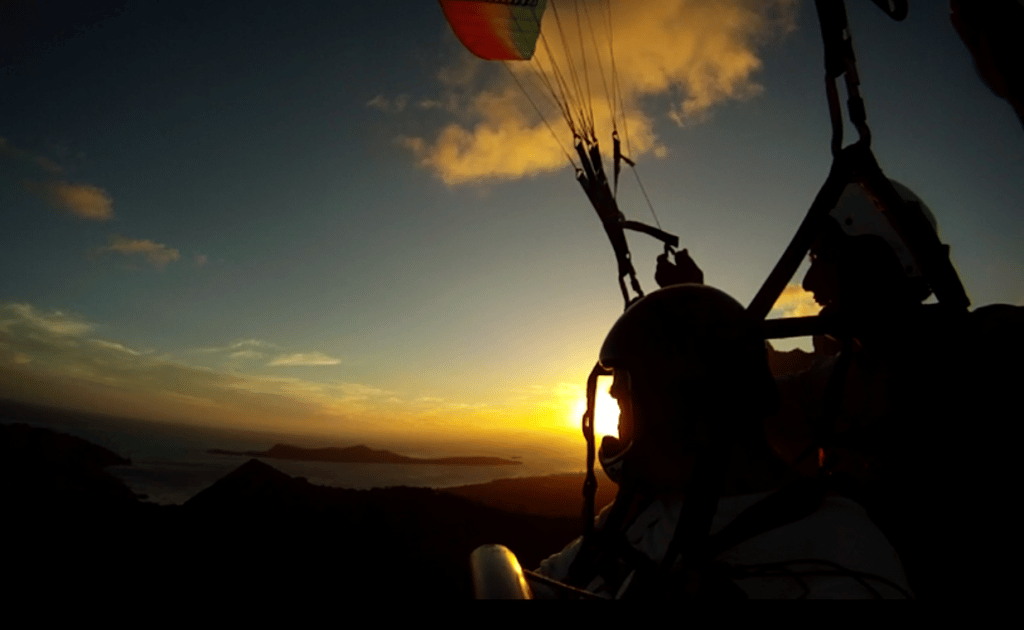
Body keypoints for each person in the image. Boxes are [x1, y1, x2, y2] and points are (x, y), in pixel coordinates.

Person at [531, 284, 913, 599]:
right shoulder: (639, 508)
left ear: (679, 407)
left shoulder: (843, 551)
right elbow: (544, 580)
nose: (617, 427)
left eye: (624, 403)